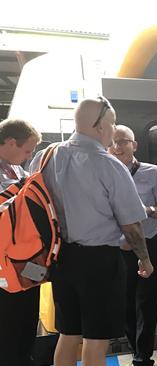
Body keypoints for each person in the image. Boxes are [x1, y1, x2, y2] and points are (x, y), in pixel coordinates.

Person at [30, 97, 153, 366]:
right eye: (111, 123)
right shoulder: (109, 165)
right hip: (100, 263)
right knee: (96, 340)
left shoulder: (45, 156)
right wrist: (144, 258)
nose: (113, 129)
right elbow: (131, 225)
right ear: (98, 126)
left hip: (61, 259)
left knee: (68, 333)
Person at [109, 125, 157, 366]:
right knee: (125, 303)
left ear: (134, 145)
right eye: (114, 142)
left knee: (147, 304)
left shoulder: (152, 172)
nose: (118, 147)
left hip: (151, 243)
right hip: (120, 248)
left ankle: (142, 357)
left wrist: (147, 210)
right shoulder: (106, 173)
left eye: (123, 141)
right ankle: (136, 347)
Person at [0, 118, 41, 366]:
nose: (30, 156)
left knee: (27, 320)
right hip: (4, 264)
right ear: (11, 142)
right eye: (28, 150)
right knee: (8, 326)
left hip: (25, 258)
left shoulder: (16, 169)